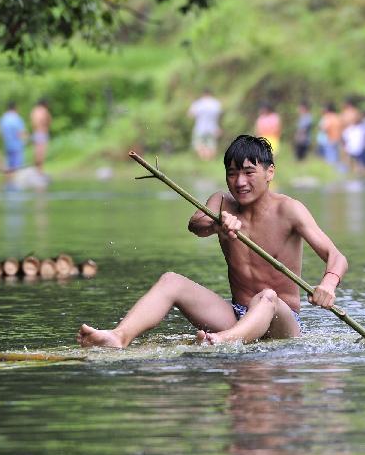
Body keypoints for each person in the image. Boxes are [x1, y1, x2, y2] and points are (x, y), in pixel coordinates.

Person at [77, 135, 348, 348]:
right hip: (236, 315)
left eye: (248, 172)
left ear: (269, 172)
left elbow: (336, 256)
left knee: (267, 296)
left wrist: (328, 284)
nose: (239, 181)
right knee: (171, 279)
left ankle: (223, 341)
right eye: (232, 173)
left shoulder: (289, 210)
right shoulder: (222, 201)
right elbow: (196, 225)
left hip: (281, 321)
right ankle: (119, 336)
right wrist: (218, 222)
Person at [188, 89, 223, 160]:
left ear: (203, 94)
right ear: (211, 94)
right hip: (213, 128)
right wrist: (219, 128)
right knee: (211, 146)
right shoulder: (216, 103)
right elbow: (220, 116)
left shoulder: (198, 103)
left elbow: (190, 115)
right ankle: (209, 161)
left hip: (200, 128)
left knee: (199, 145)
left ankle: (204, 161)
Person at [0, 101, 27, 174]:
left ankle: (10, 182)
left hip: (7, 144)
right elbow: (20, 132)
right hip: (17, 144)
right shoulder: (16, 117)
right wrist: (25, 141)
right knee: (18, 166)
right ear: (15, 108)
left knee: (9, 166)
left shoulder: (3, 118)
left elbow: (2, 133)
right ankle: (17, 182)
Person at [30, 98, 52, 174]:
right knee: (41, 154)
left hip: (35, 133)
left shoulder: (34, 111)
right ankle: (40, 171)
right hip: (42, 133)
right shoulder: (43, 110)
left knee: (36, 153)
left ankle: (37, 171)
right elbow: (48, 120)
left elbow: (33, 123)